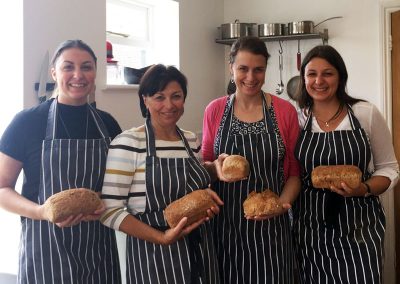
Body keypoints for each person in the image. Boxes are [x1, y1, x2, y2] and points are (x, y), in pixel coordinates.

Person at [0, 39, 122, 283]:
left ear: (95, 72)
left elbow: (120, 186)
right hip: (45, 247)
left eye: (86, 67)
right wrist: (41, 211)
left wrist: (104, 203)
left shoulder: (107, 124)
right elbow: (2, 187)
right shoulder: (27, 122)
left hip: (97, 247)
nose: (78, 75)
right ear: (54, 73)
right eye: (68, 67)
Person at [100, 64, 223, 284]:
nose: (169, 105)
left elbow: (193, 187)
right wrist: (161, 237)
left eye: (176, 96)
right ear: (145, 100)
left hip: (201, 251)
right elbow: (109, 210)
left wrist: (212, 180)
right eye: (159, 97)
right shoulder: (128, 143)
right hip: (153, 256)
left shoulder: (190, 140)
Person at [293, 44, 399, 283]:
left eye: (327, 73)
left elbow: (390, 167)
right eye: (311, 74)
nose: (319, 80)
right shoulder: (298, 118)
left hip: (359, 228)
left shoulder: (364, 113)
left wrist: (364, 188)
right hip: (310, 229)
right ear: (303, 79)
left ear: (340, 77)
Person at [202, 36, 301, 283]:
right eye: (243, 69)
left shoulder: (284, 111)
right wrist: (214, 168)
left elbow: (294, 174)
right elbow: (204, 167)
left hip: (272, 231)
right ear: (231, 68)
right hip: (224, 229)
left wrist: (281, 205)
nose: (250, 77)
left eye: (258, 70)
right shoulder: (214, 110)